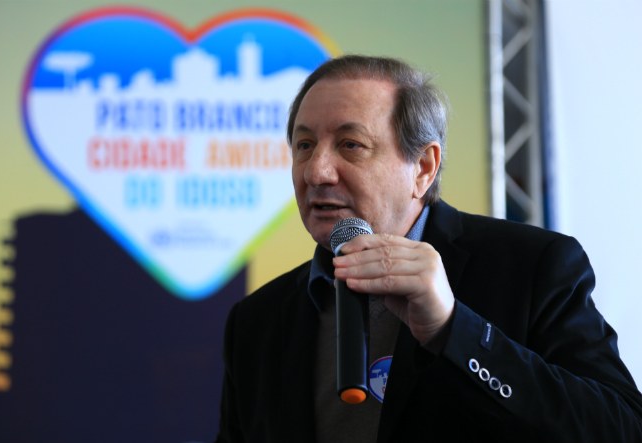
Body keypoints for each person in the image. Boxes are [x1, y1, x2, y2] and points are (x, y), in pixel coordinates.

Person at [215, 55, 642, 442]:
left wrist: (453, 329)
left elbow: (620, 427)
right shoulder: (256, 321)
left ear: (423, 167)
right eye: (304, 146)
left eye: (350, 145)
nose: (317, 172)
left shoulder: (532, 267)